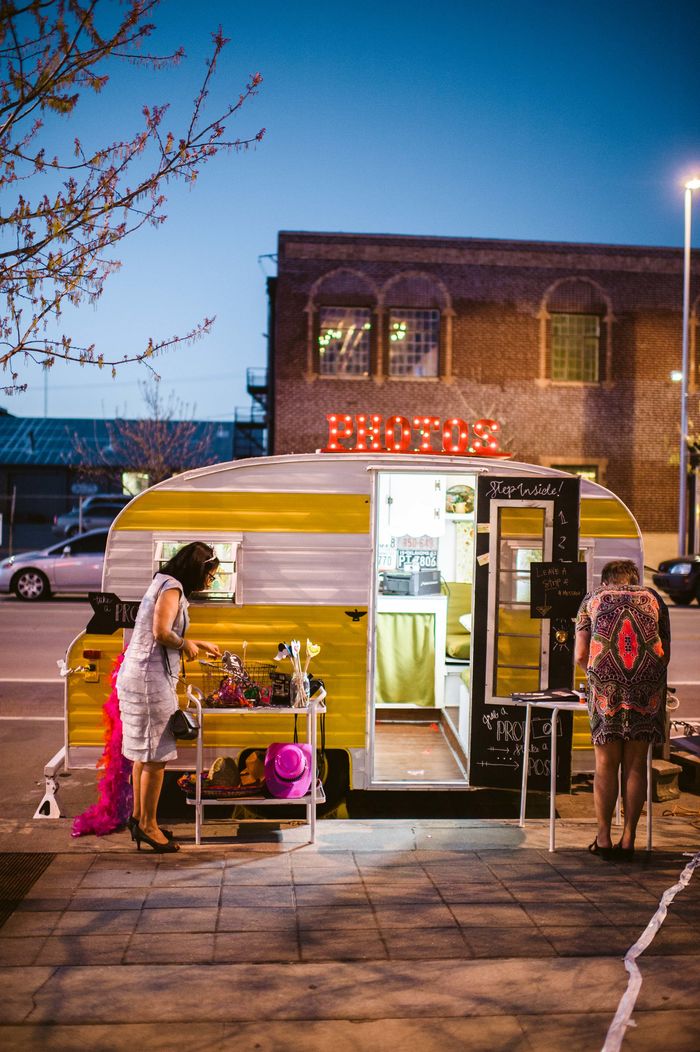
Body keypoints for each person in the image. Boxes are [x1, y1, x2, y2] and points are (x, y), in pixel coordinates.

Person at [117, 541, 221, 853]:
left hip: (140, 677)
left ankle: (139, 819)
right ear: (197, 570)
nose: (210, 582)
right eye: (210, 575)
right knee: (157, 756)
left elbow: (160, 632)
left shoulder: (163, 583)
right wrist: (184, 644)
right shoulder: (172, 587)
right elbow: (161, 632)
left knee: (144, 754)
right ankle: (149, 827)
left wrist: (195, 642)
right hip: (150, 681)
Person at [574, 559, 670, 861]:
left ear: (606, 581)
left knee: (605, 762)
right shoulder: (654, 599)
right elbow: (664, 652)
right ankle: (629, 840)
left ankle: (603, 838)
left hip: (606, 689)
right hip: (646, 686)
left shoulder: (593, 599)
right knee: (636, 763)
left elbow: (580, 653)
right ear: (635, 578)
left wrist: (597, 677)